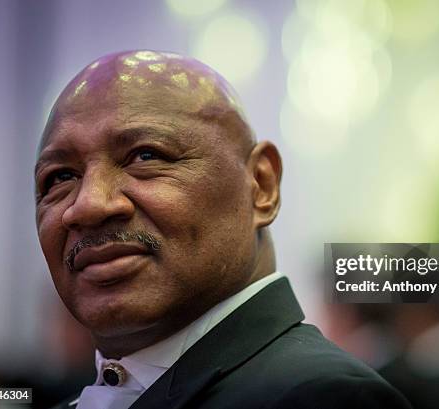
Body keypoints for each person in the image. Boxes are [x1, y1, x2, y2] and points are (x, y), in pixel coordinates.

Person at [35, 50, 411, 409]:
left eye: (146, 155)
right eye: (60, 177)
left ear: (261, 185)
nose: (87, 204)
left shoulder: (325, 401)